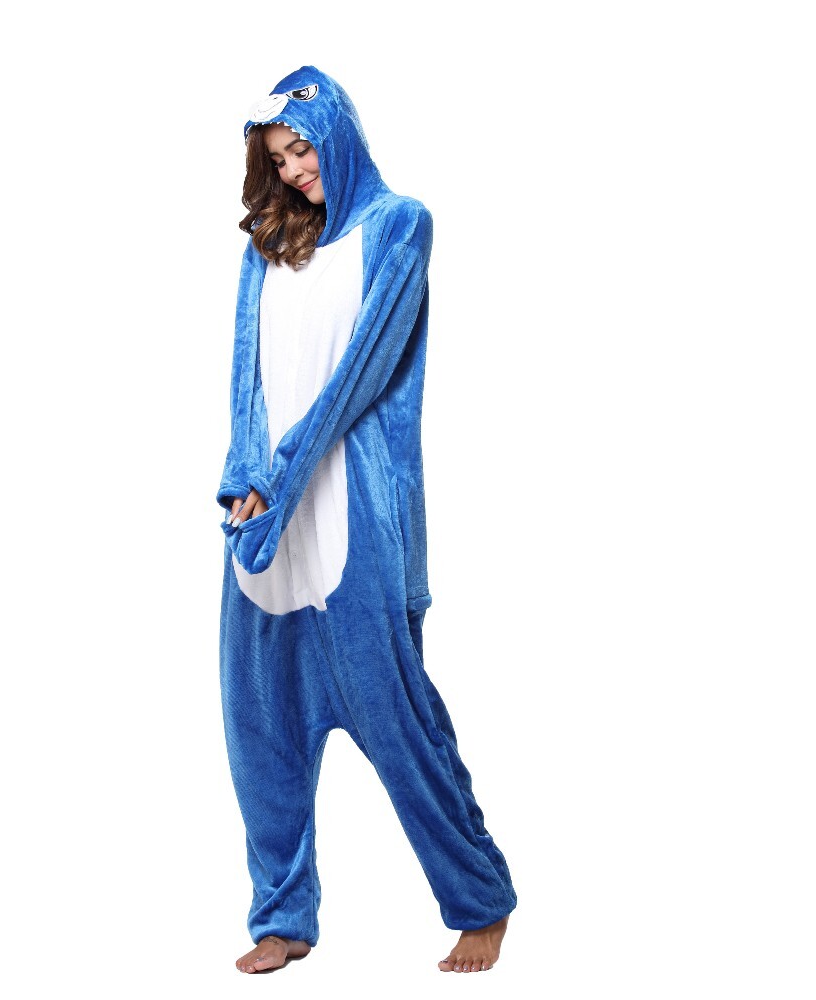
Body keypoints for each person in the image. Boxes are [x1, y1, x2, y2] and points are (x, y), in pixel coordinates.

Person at [216, 66, 517, 975]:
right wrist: (245, 475)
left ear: (336, 132)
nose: (293, 170)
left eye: (300, 148)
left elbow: (360, 377)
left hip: (354, 512)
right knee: (259, 728)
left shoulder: (399, 225)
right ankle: (283, 917)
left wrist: (283, 476)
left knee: (399, 720)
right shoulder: (268, 246)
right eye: (278, 159)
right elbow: (246, 374)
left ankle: (480, 899)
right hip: (267, 520)